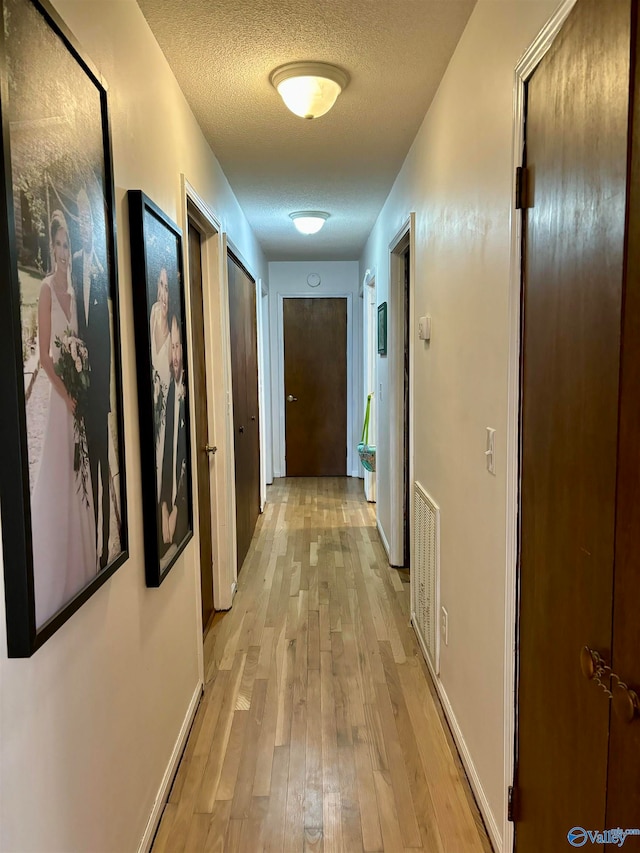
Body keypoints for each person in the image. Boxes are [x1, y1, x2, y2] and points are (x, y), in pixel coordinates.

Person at [32, 210, 96, 627]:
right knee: (59, 475)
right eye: (57, 245)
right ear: (50, 249)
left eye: (66, 246)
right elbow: (43, 357)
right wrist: (66, 394)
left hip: (76, 400)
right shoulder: (44, 291)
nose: (61, 252)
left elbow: (77, 344)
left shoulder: (74, 295)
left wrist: (80, 387)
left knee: (80, 477)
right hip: (60, 401)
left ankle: (82, 562)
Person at [73, 187, 111, 570]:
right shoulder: (72, 266)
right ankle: (84, 544)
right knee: (77, 469)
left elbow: (108, 344)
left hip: (97, 394)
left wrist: (105, 395)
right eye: (81, 216)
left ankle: (102, 548)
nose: (85, 224)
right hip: (74, 392)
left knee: (100, 466)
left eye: (89, 218)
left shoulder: (101, 272)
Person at [159, 314, 188, 554]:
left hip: (185, 498)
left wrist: (177, 507)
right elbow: (168, 452)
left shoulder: (187, 395)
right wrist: (164, 504)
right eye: (172, 347)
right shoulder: (170, 392)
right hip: (170, 493)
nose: (175, 356)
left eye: (178, 347)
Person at [149, 267, 171, 501]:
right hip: (156, 397)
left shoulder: (172, 320)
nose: (163, 293)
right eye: (161, 286)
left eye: (167, 288)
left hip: (168, 397)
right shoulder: (155, 312)